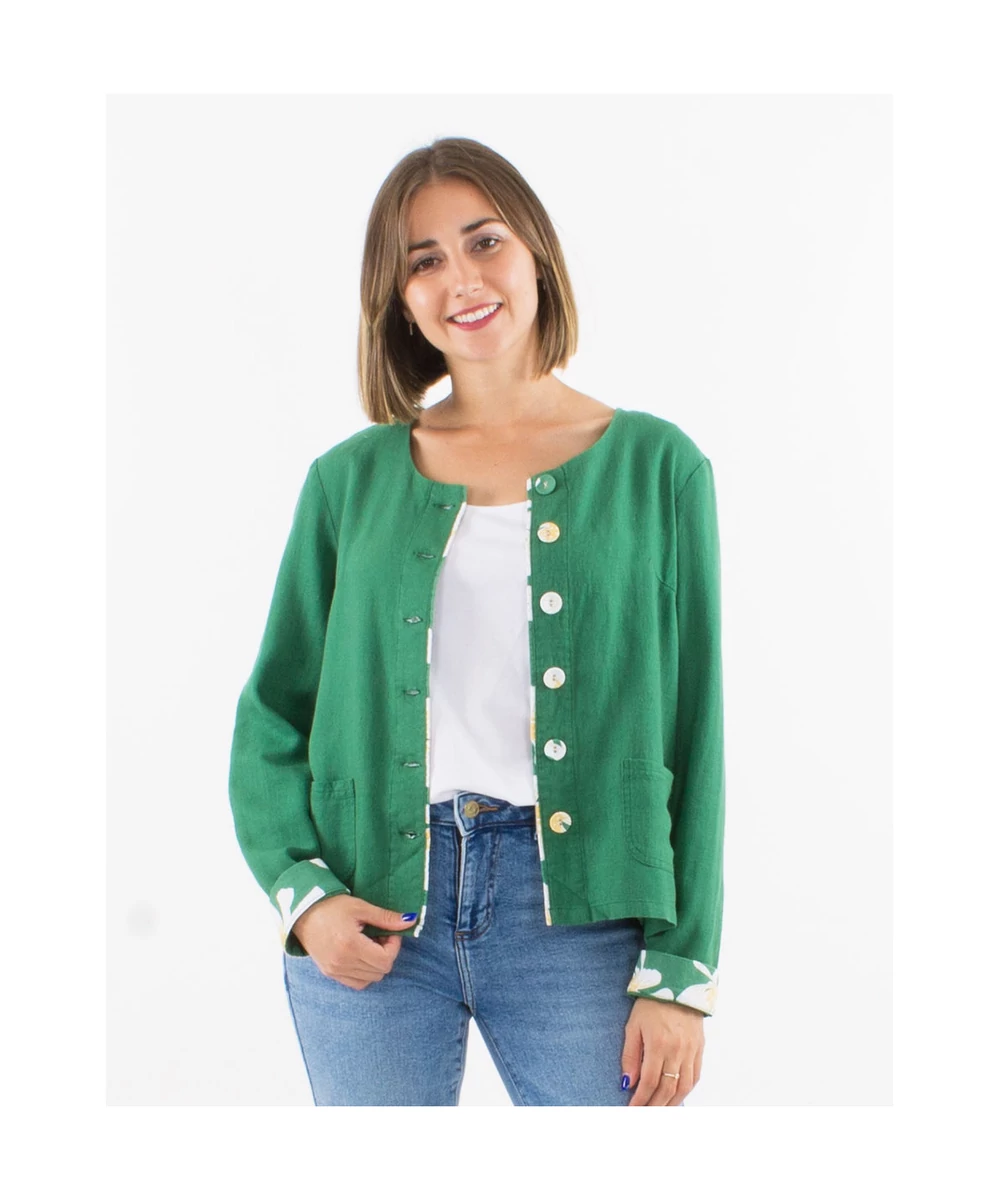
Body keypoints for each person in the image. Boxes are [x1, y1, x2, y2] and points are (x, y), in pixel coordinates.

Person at [228, 136, 726, 1106]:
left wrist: (681, 970)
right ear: (399, 299)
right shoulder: (348, 481)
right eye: (424, 261)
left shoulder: (658, 467)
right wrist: (305, 897)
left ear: (535, 250)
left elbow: (694, 728)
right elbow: (272, 712)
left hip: (584, 923)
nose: (461, 279)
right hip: (371, 911)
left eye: (484, 241)